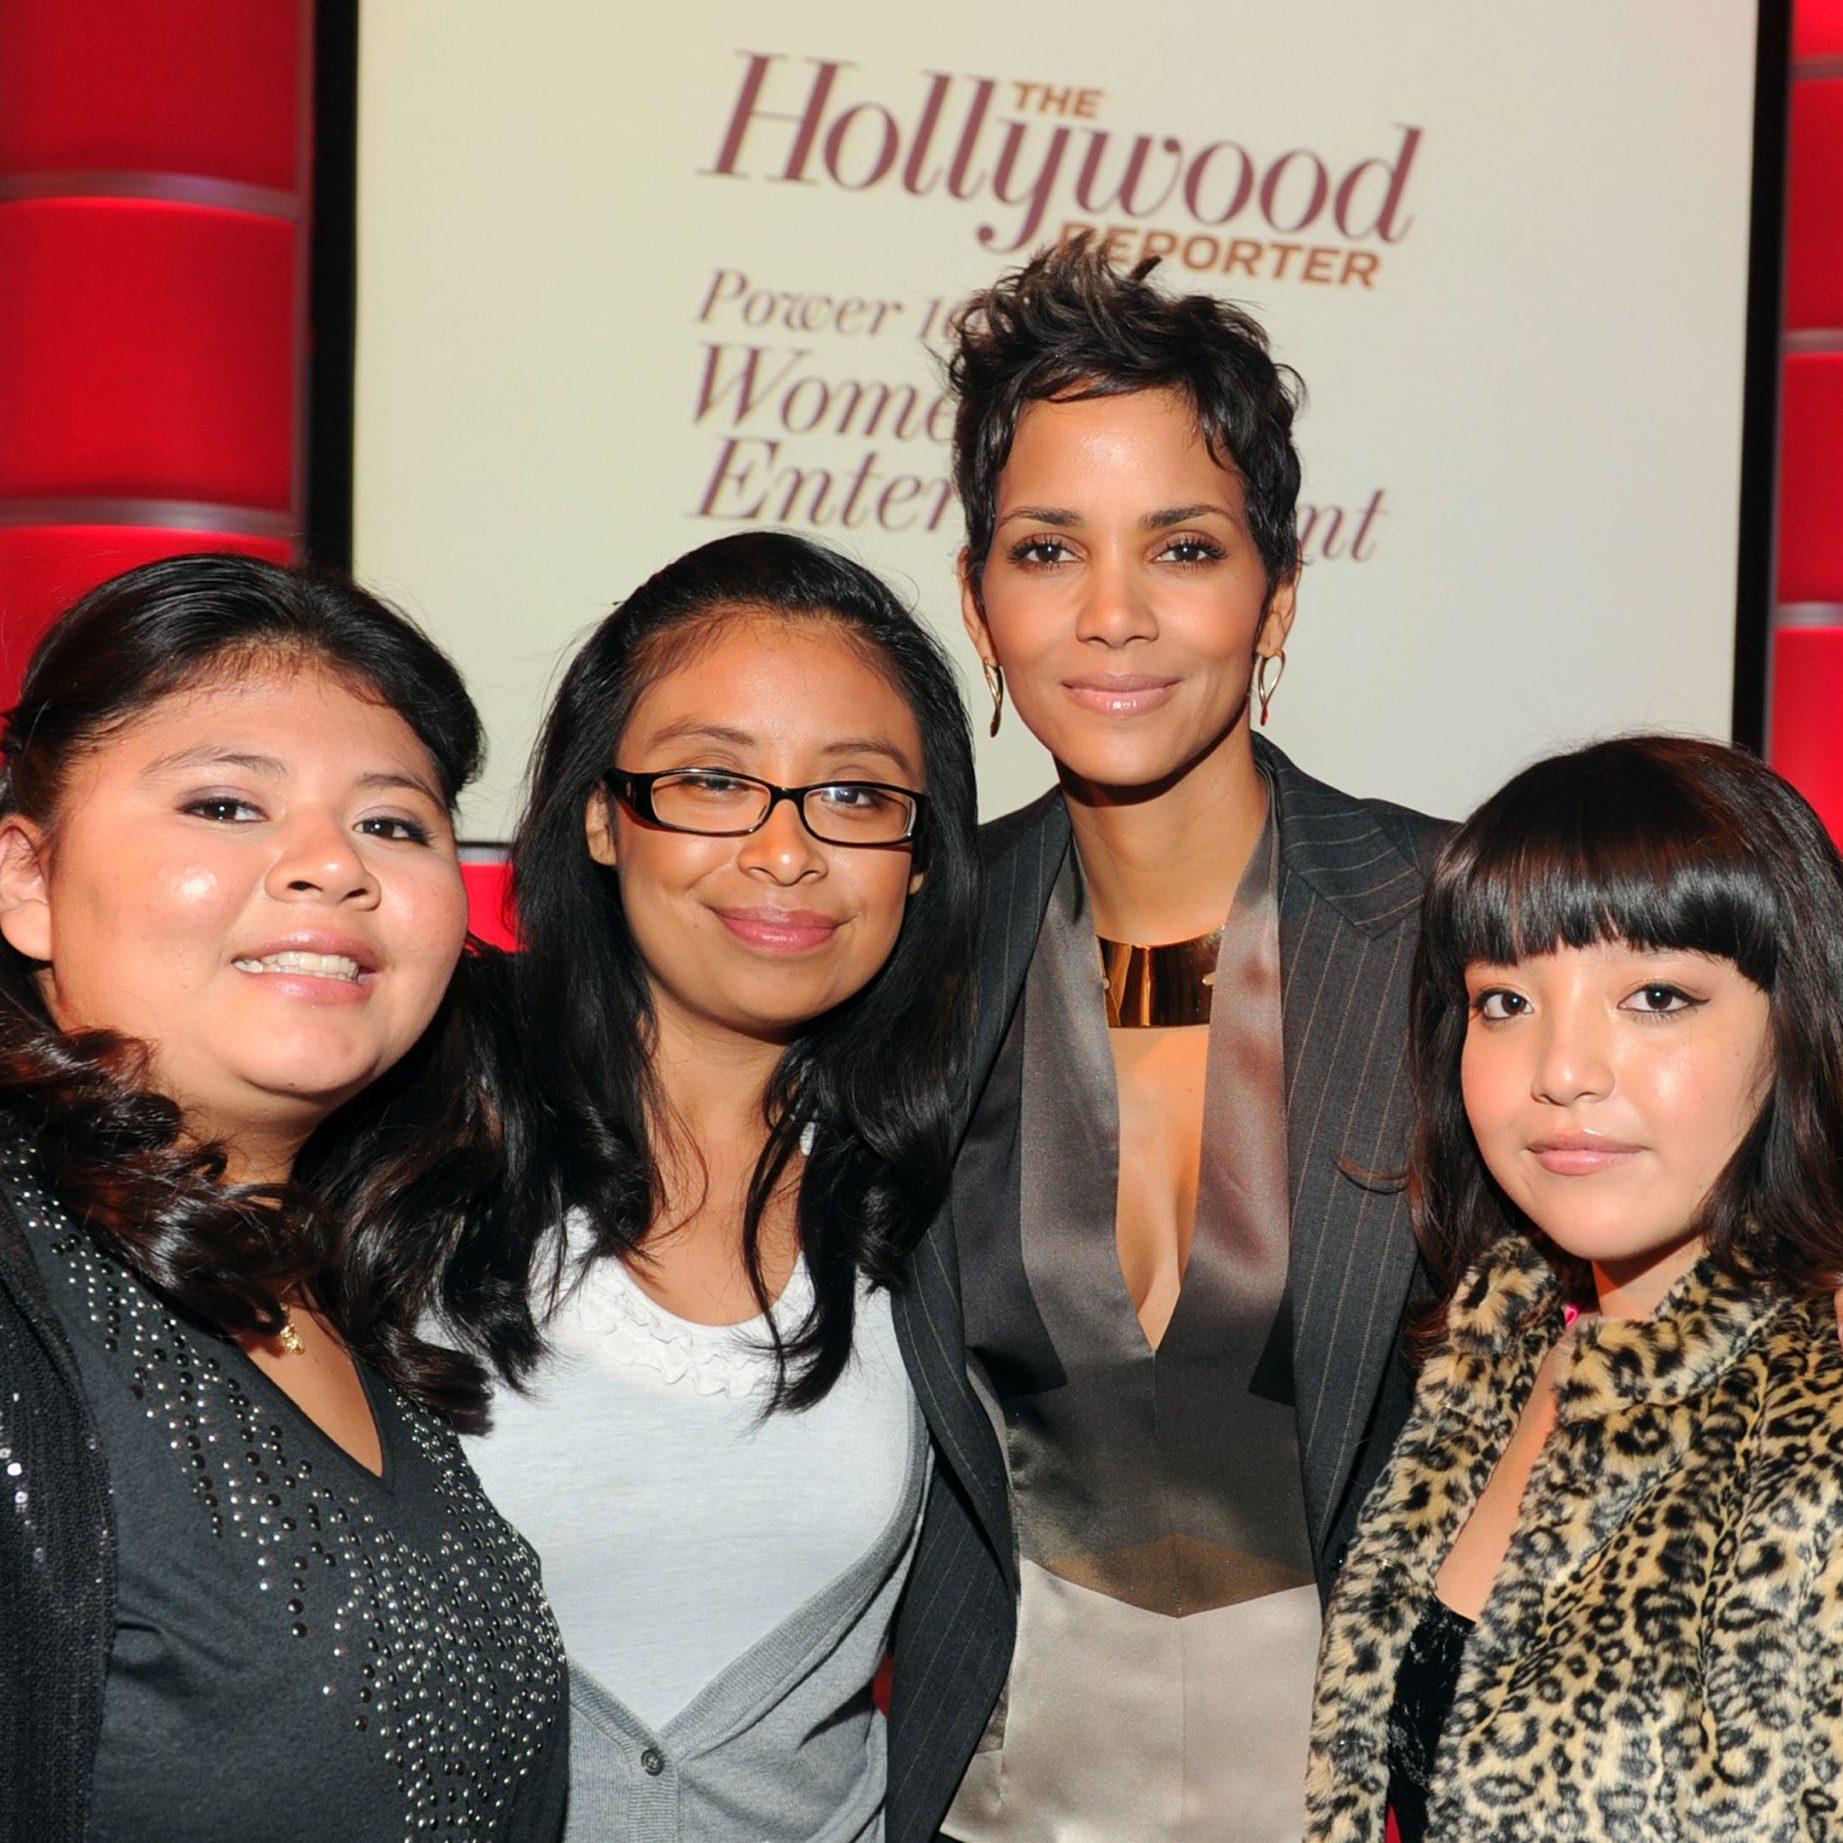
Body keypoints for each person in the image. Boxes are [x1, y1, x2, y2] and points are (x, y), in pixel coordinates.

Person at [883, 236, 1449, 1843]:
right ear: (977, 603)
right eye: (1047, 549)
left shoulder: (1452, 928)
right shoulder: (912, 944)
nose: (1111, 615)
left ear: (1272, 591)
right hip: (994, 1801)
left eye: (1181, 547)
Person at [0, 554, 568, 1843]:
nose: (330, 866)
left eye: (391, 822)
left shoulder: (343, 1293)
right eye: (224, 804)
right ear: (27, 878)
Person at [449, 531, 980, 1841]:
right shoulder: (410, 1120)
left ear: (918, 855)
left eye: (853, 795)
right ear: (598, 814)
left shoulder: (956, 1182)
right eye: (710, 779)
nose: (785, 851)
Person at [1306, 735, 1843, 1842]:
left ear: (1798, 1022)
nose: (1559, 1071)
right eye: (1504, 1002)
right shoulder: (1486, 1354)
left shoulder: (1817, 1416)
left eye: (1653, 994)